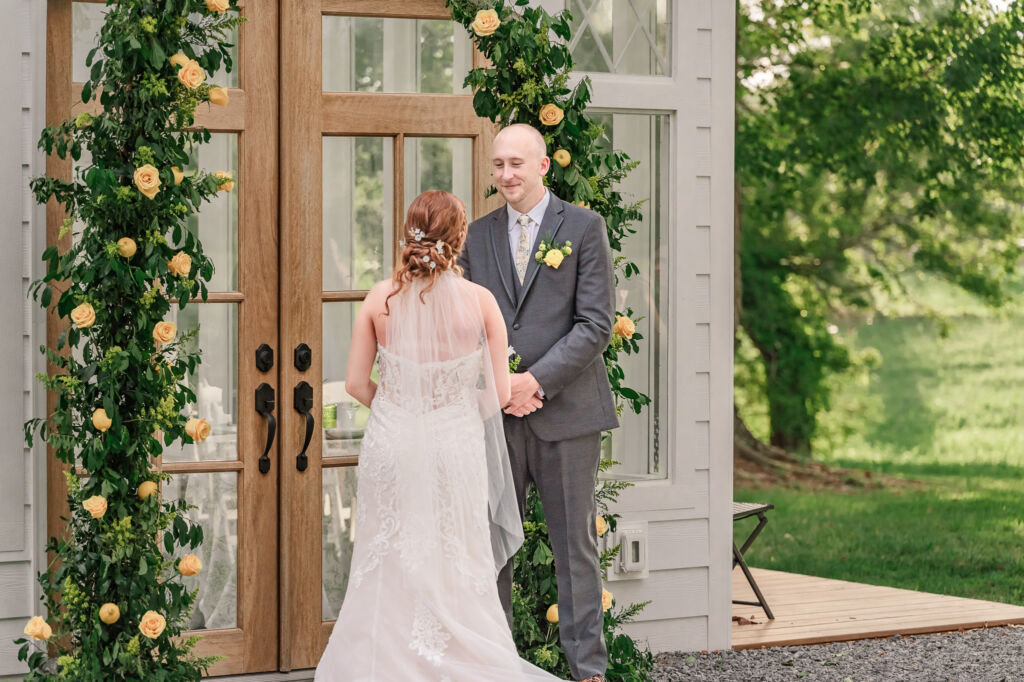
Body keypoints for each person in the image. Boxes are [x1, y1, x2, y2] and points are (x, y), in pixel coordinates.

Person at [315, 190, 563, 681]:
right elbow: (493, 395)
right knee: (456, 550)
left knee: (386, 548)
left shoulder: (378, 298)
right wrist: (448, 410)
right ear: (460, 237)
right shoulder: (481, 302)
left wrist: (401, 407)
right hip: (454, 443)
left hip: (393, 444)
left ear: (411, 233)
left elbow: (355, 384)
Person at [457, 124, 619, 682]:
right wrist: (501, 385)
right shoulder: (475, 236)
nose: (506, 174)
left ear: (543, 166)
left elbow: (596, 323)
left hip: (567, 415)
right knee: (492, 545)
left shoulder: (583, 227)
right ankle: (492, 666)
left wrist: (535, 382)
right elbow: (467, 327)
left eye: (517, 164)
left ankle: (588, 671)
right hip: (496, 416)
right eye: (498, 164)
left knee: (574, 548)